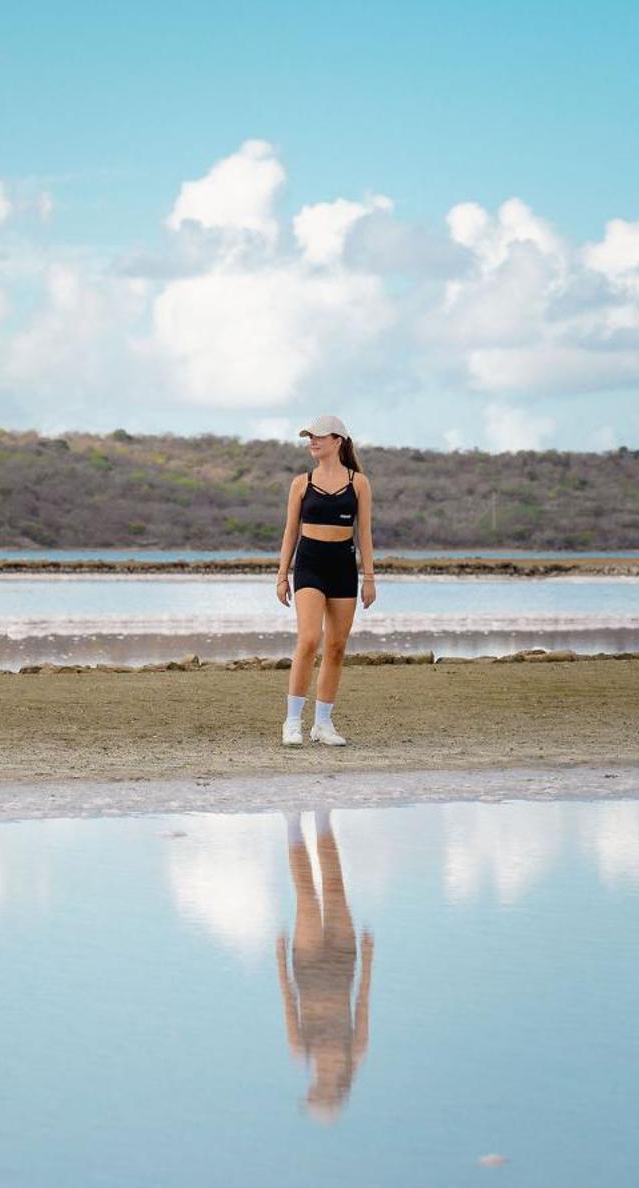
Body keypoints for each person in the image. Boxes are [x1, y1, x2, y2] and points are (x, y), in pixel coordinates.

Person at [274, 414, 376, 746]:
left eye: (318, 436)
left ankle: (323, 724)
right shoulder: (300, 483)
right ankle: (292, 722)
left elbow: (364, 534)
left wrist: (370, 578)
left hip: (343, 566)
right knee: (308, 640)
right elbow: (290, 532)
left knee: (335, 647)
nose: (312, 442)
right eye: (309, 438)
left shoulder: (358, 483)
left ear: (338, 441)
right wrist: (281, 575)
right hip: (309, 564)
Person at [276, 809, 374, 1121]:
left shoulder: (300, 1051)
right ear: (330, 1093)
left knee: (305, 896)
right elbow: (362, 1001)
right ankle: (322, 818)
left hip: (305, 967)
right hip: (344, 962)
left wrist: (279, 959)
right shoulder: (355, 1052)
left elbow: (288, 1003)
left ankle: (292, 822)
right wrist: (369, 958)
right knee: (334, 888)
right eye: (315, 1095)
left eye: (311, 1094)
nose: (311, 1089)